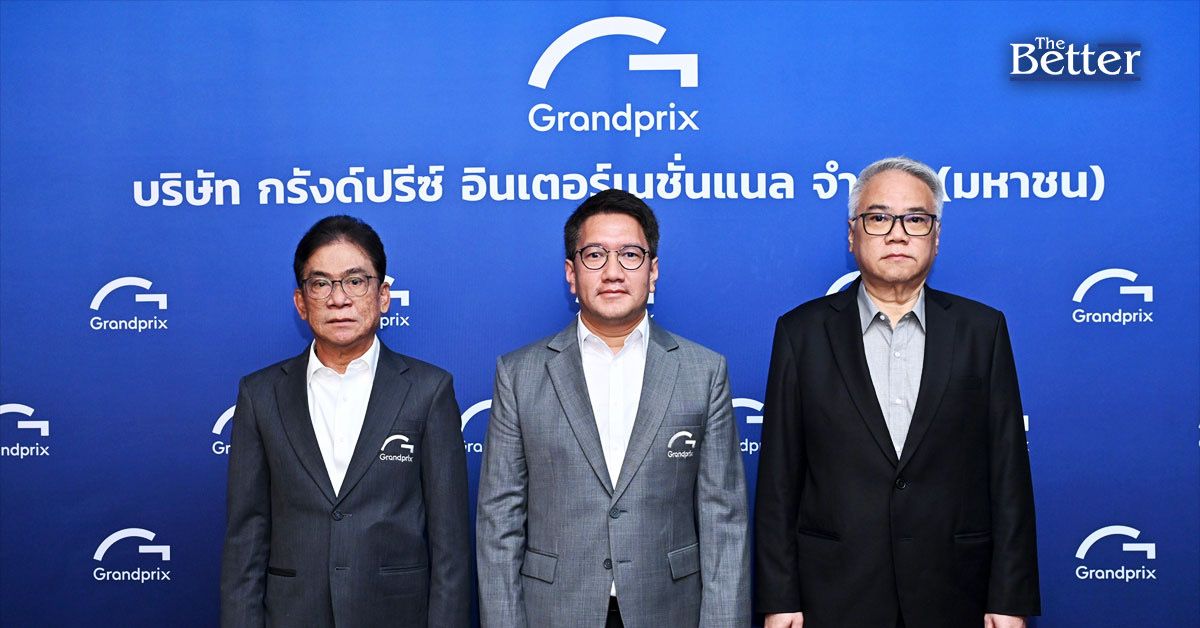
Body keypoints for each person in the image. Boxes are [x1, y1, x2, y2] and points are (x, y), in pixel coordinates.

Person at [754, 157, 1040, 628]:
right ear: (852, 234)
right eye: (879, 218)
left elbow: (1009, 475)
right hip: (834, 594)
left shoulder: (982, 331)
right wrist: (779, 597)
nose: (897, 234)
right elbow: (779, 481)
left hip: (955, 592)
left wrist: (1010, 598)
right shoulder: (801, 333)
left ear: (936, 236)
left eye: (916, 219)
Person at [476, 189, 750, 628]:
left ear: (653, 270)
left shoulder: (704, 371)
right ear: (571, 273)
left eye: (630, 255)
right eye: (595, 255)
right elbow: (499, 524)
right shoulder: (519, 374)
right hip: (555, 611)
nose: (613, 271)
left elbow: (725, 524)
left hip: (668, 610)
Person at [220, 215, 471, 628]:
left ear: (383, 295)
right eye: (321, 284)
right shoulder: (260, 394)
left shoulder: (429, 390)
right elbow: (245, 540)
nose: (338, 299)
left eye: (355, 281)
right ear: (301, 302)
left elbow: (451, 547)